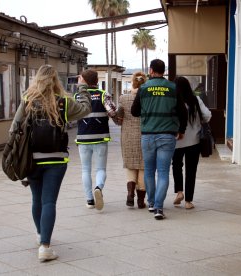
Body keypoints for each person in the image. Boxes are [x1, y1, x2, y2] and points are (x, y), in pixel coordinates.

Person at [11, 65, 91, 262]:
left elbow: (13, 128)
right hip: (56, 159)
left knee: (36, 199)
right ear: (56, 81)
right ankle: (45, 247)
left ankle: (40, 236)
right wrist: (82, 89)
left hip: (32, 159)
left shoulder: (28, 101)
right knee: (49, 201)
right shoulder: (63, 102)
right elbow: (85, 110)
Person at [131, 59, 187, 220]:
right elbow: (183, 112)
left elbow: (135, 112)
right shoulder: (173, 87)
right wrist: (181, 130)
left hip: (148, 135)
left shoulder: (143, 88)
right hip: (168, 135)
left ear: (151, 70)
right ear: (164, 71)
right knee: (163, 172)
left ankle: (151, 202)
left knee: (149, 170)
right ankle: (158, 207)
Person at [74, 69, 117, 210]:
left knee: (85, 169)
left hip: (83, 137)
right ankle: (98, 187)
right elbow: (112, 111)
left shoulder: (77, 96)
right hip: (100, 137)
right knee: (100, 168)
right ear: (97, 81)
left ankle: (89, 200)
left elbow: (71, 116)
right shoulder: (103, 94)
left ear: (83, 81)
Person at [172, 76, 212, 209]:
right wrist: (198, 123)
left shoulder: (173, 100)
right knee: (191, 170)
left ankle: (179, 192)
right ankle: (188, 201)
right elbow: (207, 115)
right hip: (194, 141)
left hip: (177, 140)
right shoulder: (195, 99)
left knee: (177, 166)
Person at [114, 71, 147, 208]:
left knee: (130, 165)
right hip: (145, 135)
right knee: (143, 167)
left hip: (127, 136)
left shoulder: (123, 98)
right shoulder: (148, 98)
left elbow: (118, 120)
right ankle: (140, 201)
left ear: (132, 82)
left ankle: (129, 194)